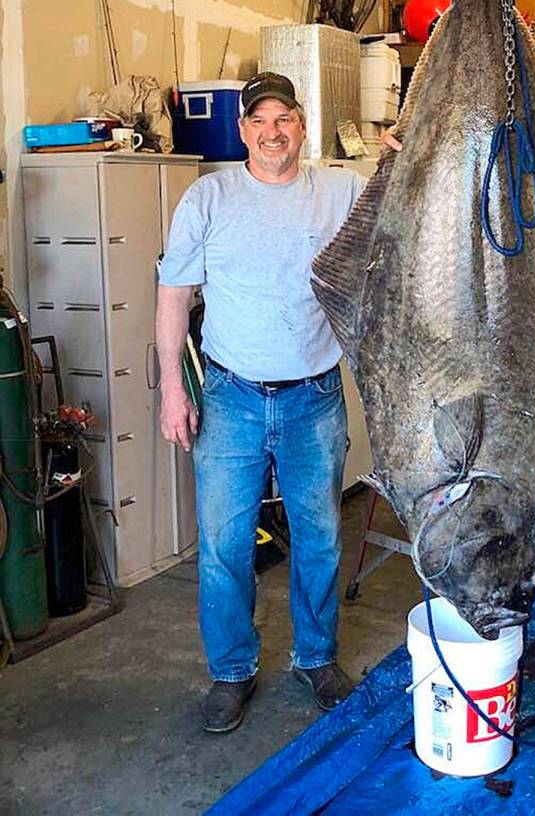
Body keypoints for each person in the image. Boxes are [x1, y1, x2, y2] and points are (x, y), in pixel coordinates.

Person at [156, 72, 398, 733]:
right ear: (242, 132)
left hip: (314, 397)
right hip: (230, 397)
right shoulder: (208, 198)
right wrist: (174, 387)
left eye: (283, 118)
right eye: (259, 121)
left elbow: (395, 197)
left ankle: (315, 658)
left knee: (318, 540)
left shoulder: (339, 190)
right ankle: (232, 671)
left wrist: (401, 150)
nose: (272, 132)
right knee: (225, 546)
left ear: (301, 125)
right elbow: (173, 294)